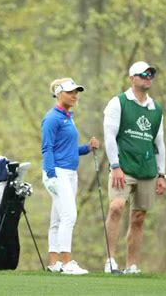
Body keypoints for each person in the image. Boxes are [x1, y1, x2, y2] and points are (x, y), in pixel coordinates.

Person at [103, 61, 166, 274]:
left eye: (150, 75)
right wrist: (115, 166)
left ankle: (132, 265)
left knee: (139, 218)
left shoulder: (156, 109)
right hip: (123, 167)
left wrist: (161, 174)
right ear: (132, 78)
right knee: (116, 207)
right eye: (143, 75)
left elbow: (159, 143)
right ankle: (111, 260)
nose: (148, 78)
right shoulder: (118, 102)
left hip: (147, 170)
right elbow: (110, 136)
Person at [41, 77, 99, 275]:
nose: (75, 95)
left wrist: (87, 148)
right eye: (70, 92)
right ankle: (67, 263)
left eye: (76, 92)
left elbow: (67, 149)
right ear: (59, 93)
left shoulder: (67, 117)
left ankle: (54, 263)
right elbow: (47, 148)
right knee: (69, 215)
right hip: (57, 172)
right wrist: (51, 175)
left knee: (58, 218)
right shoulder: (52, 118)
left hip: (69, 172)